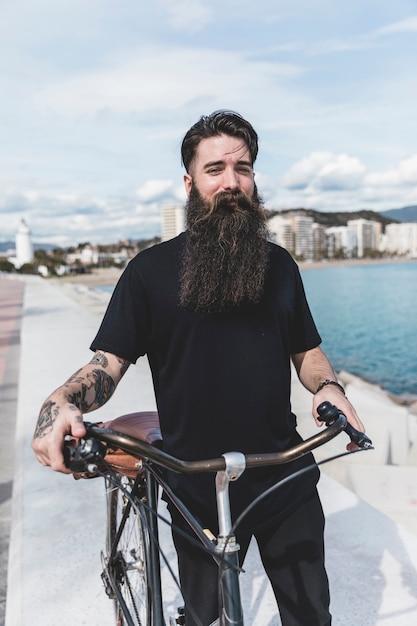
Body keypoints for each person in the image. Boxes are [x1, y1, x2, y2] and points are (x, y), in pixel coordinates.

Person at [32, 110, 365, 626]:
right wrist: (62, 402)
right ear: (190, 182)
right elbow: (108, 363)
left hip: (282, 471)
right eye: (215, 169)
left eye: (244, 168)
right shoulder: (148, 272)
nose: (232, 182)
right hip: (195, 480)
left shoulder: (280, 266)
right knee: (203, 613)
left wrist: (328, 387)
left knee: (310, 614)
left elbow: (307, 350)